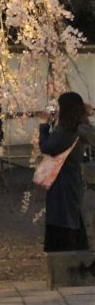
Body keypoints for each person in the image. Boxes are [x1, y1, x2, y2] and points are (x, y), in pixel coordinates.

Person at [39, 91, 95, 252]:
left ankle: (69, 264)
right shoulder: (77, 129)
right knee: (72, 218)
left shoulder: (66, 132)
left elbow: (47, 147)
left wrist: (44, 126)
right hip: (71, 182)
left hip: (61, 184)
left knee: (63, 223)